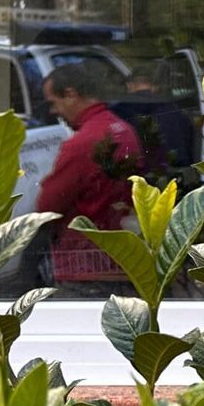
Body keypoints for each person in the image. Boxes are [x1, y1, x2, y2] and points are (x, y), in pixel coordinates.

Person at [34, 63, 141, 286]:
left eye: (54, 102)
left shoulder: (82, 143)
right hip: (121, 259)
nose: (54, 112)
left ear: (71, 95)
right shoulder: (124, 130)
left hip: (84, 265)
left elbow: (47, 206)